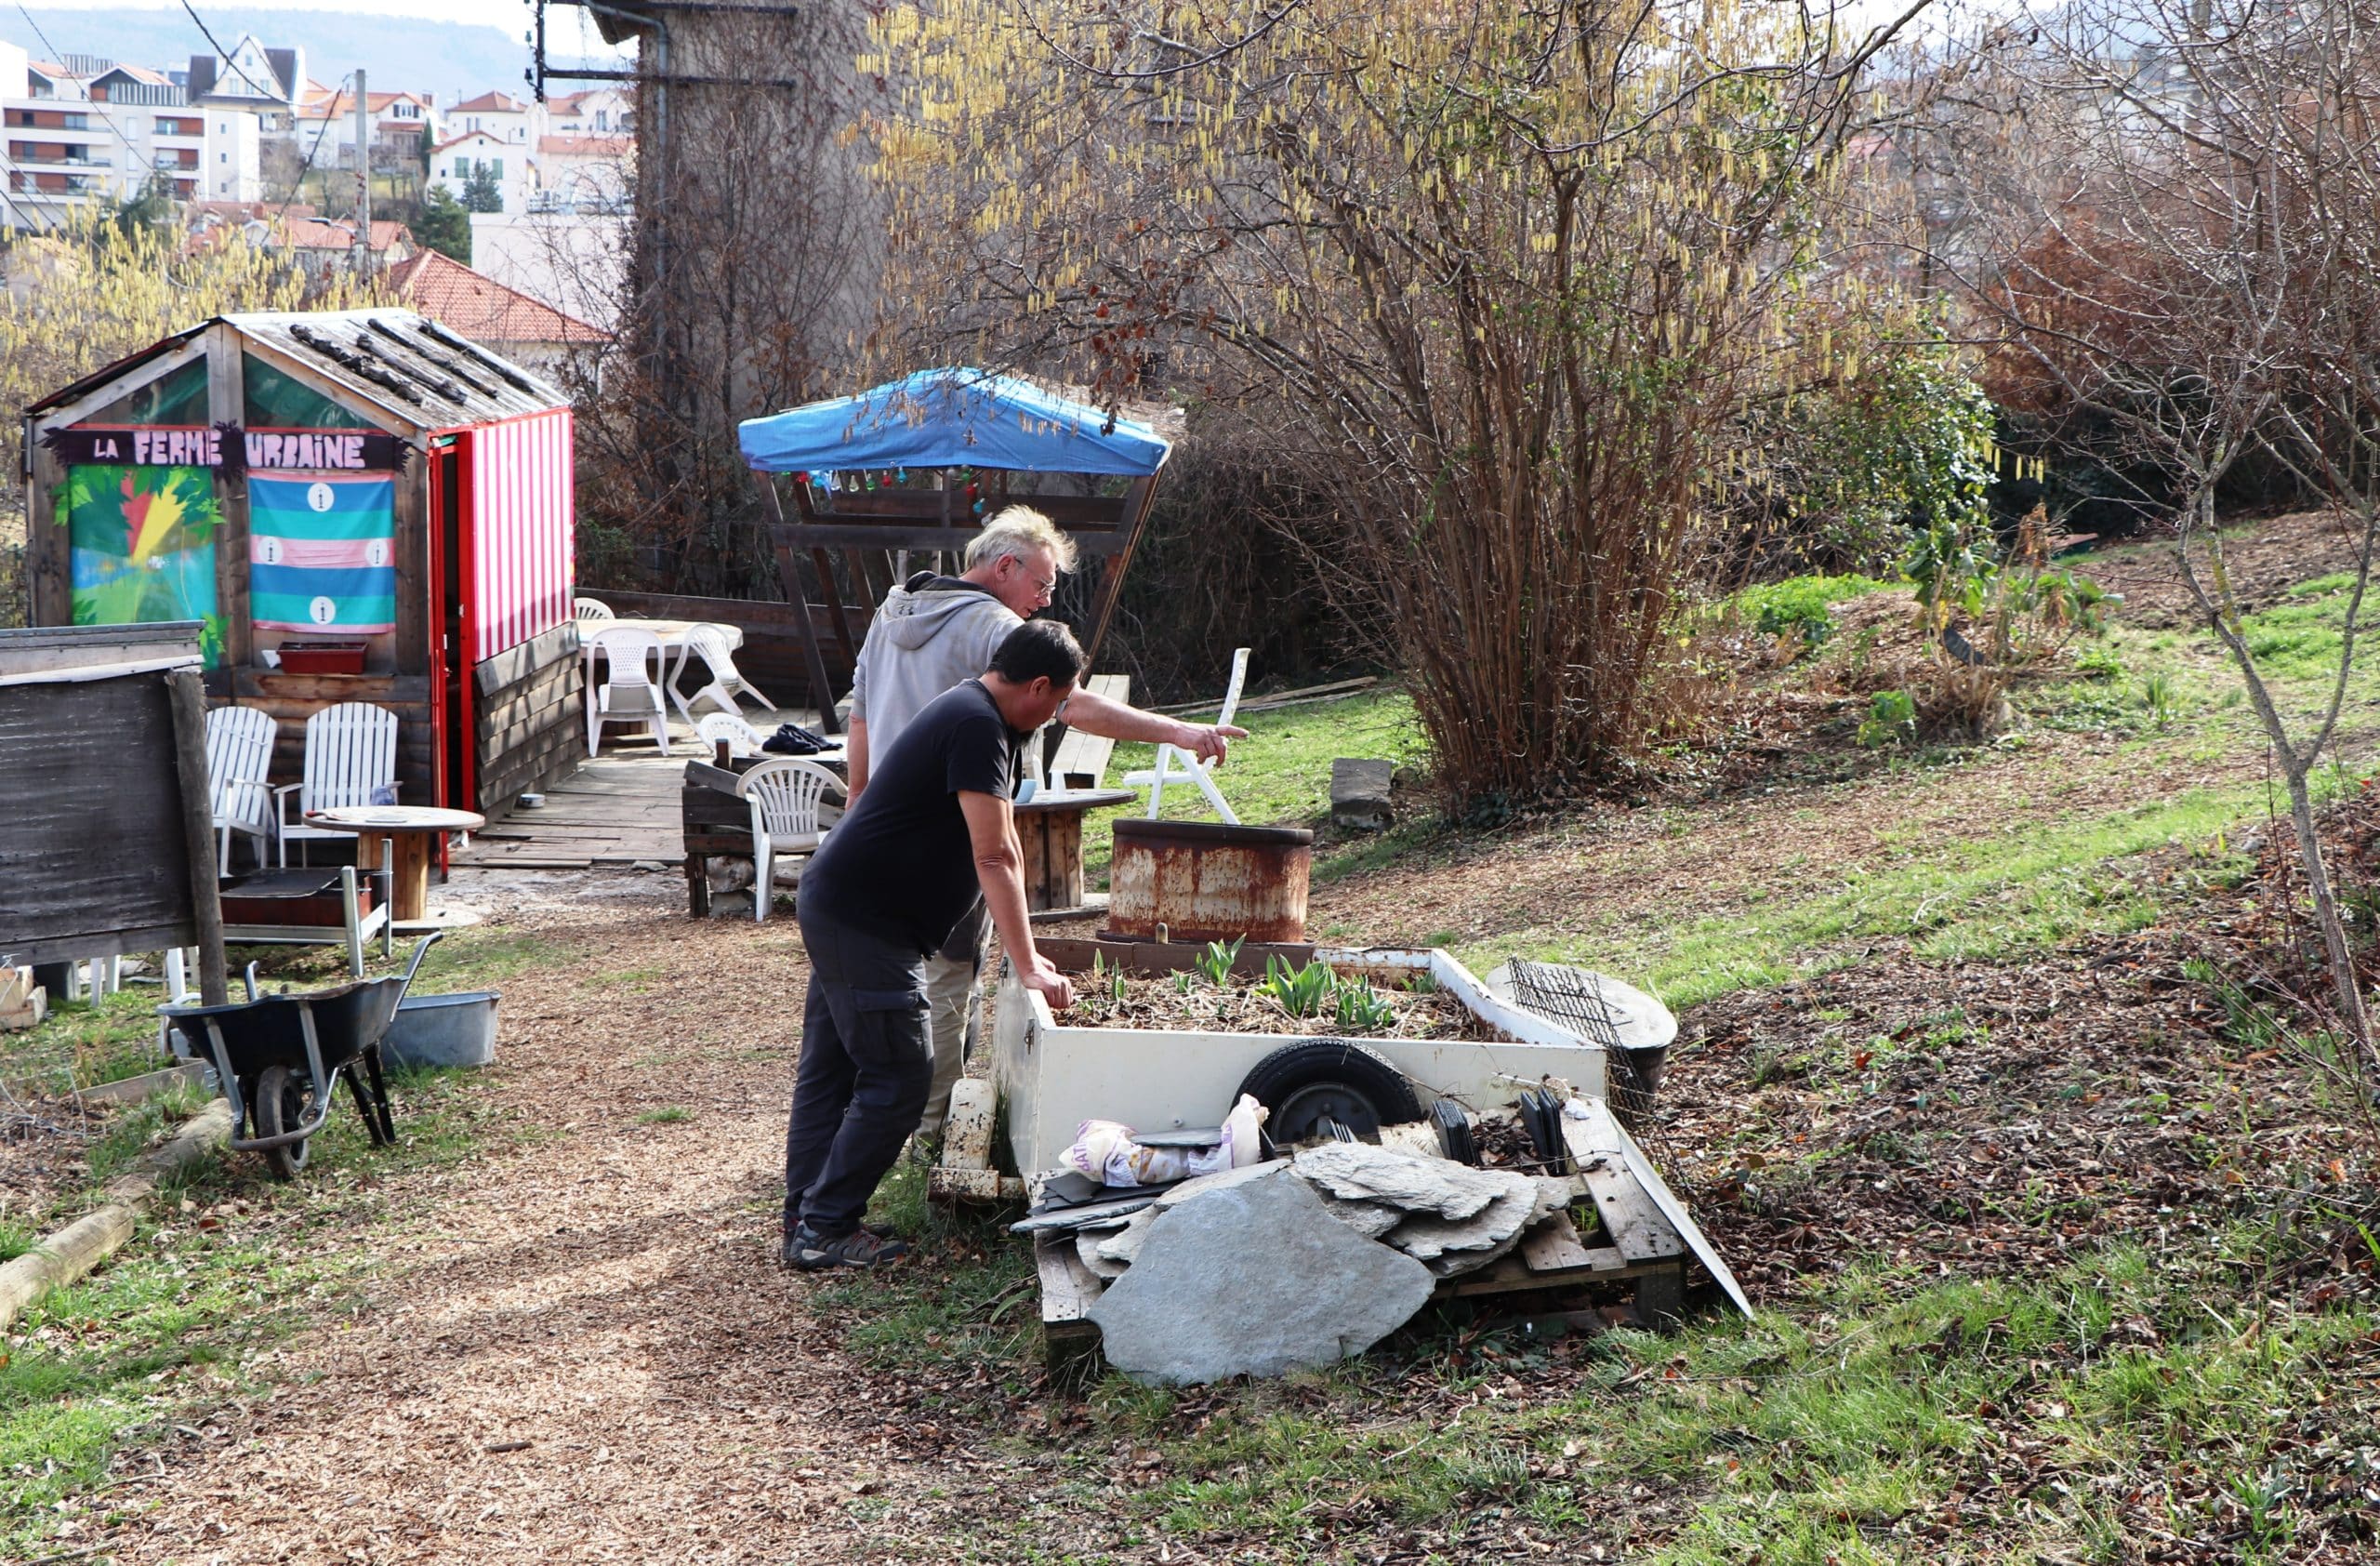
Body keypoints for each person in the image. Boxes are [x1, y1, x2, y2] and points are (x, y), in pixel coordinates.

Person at [842, 506, 1246, 1148]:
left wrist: (859, 804)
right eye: (1043, 584)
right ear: (1005, 567)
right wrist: (1176, 731)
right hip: (955, 837)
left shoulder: (895, 609)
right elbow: (1072, 704)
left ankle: (869, 1124)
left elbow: (859, 714)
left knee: (883, 985)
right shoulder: (994, 625)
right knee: (949, 985)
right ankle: (929, 1136)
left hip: (877, 836)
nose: (1045, 600)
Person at [782, 618, 1085, 1269]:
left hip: (847, 906)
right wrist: (1027, 966)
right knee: (899, 1074)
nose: (1055, 715)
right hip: (866, 921)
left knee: (833, 1071)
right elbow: (996, 853)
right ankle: (825, 1226)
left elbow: (994, 841)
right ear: (1037, 686)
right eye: (1058, 704)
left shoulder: (970, 709)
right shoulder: (978, 725)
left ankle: (810, 1214)